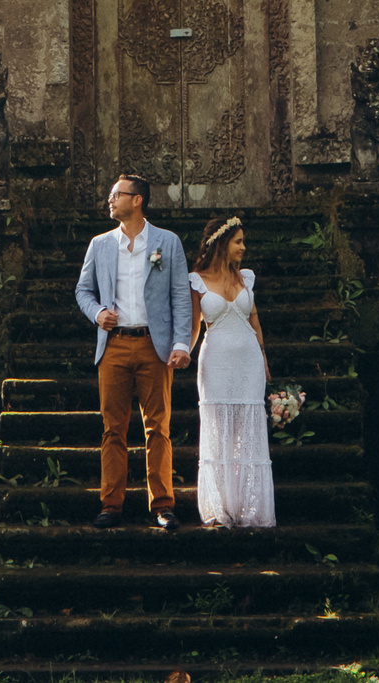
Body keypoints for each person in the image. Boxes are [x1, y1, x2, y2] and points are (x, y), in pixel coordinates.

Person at [73, 173, 192, 529]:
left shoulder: (167, 243)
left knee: (158, 427)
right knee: (113, 428)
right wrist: (97, 313)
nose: (110, 200)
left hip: (153, 346)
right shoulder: (100, 244)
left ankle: (163, 505)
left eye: (117, 194)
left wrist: (181, 343)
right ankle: (111, 505)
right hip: (114, 346)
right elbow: (82, 290)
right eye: (111, 195)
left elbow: (180, 297)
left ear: (137, 200)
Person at [187, 215, 275, 529]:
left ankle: (250, 508)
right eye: (238, 241)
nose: (243, 247)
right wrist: (182, 351)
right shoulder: (196, 280)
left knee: (247, 432)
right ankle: (221, 508)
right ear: (223, 244)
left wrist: (263, 358)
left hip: (248, 361)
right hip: (215, 362)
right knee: (218, 431)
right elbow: (195, 327)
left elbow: (255, 321)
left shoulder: (245, 278)